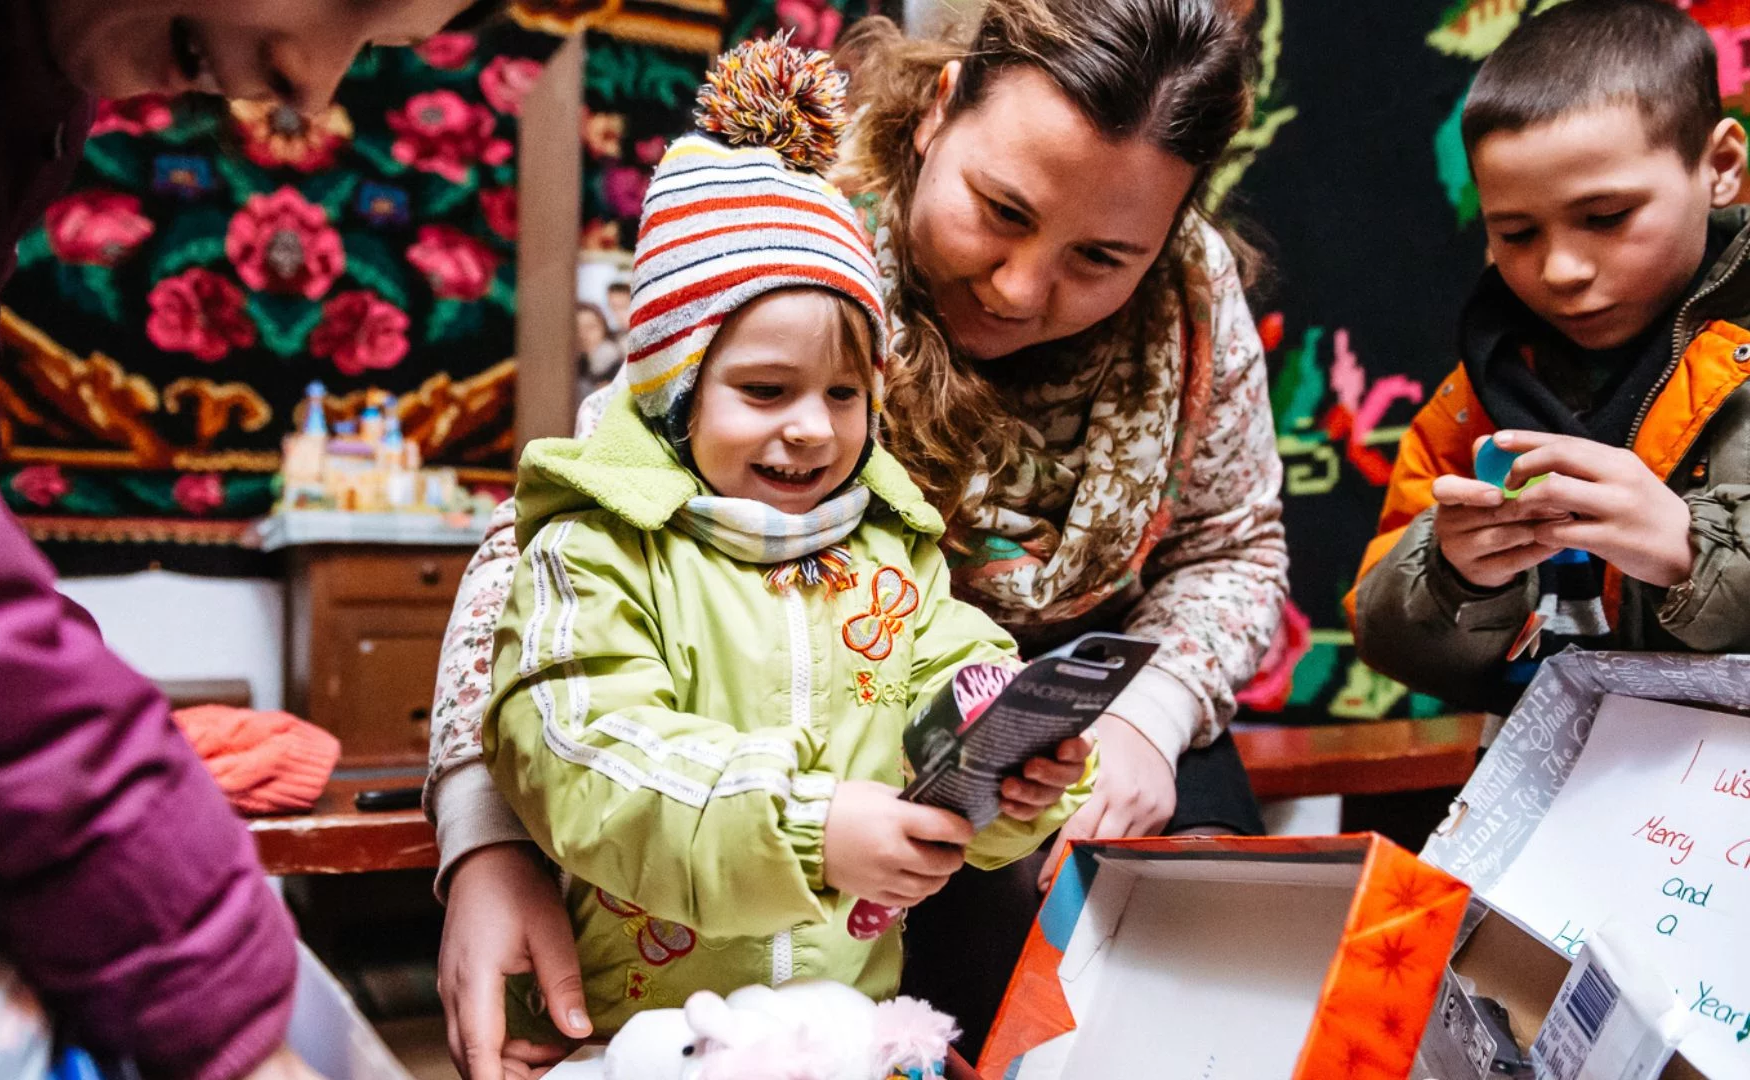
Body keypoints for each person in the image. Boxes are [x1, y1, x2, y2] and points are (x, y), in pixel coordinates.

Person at [429, 0, 1287, 1072]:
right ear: (936, 114)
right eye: (1000, 209)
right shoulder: (790, 245)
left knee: (1195, 960)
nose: (1021, 288)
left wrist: (1144, 721)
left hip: (1063, 718)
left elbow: (1233, 547)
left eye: (1100, 256)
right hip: (804, 747)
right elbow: (553, 547)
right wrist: (490, 843)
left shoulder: (1189, 302)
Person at [0, 2, 491, 1078]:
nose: (313, 86)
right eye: (355, 4)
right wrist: (128, 857)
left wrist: (35, 747)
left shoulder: (12, 104)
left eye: (381, 51)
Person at [482, 43, 1084, 1044]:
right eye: (766, 390)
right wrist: (807, 828)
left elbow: (958, 670)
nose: (811, 426)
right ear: (677, 389)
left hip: (843, 1034)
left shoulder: (889, 560)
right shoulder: (594, 552)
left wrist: (1012, 761)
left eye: (844, 394)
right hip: (637, 1040)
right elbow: (581, 756)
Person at [1350, 0, 1750, 714]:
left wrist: (1693, 555)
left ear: (1719, 166)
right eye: (1516, 233)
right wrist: (1455, 578)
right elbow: (1388, 643)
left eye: (1605, 218)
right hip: (1548, 794)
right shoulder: (1481, 388)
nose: (1561, 269)